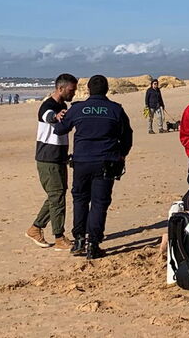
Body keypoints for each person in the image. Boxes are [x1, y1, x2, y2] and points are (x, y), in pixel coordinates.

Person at [53, 75, 133, 259]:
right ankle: (93, 243)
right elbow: (127, 136)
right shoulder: (115, 110)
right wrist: (122, 154)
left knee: (80, 200)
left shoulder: (78, 109)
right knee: (99, 203)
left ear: (88, 90)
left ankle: (80, 239)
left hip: (82, 162)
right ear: (106, 90)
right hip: (106, 161)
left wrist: (59, 117)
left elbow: (59, 130)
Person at [26, 73, 78, 251]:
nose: (73, 94)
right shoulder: (48, 105)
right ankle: (59, 237)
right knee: (57, 197)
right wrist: (55, 117)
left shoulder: (63, 105)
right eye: (71, 90)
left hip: (59, 157)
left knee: (57, 195)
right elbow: (47, 116)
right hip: (47, 158)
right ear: (61, 88)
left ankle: (35, 228)